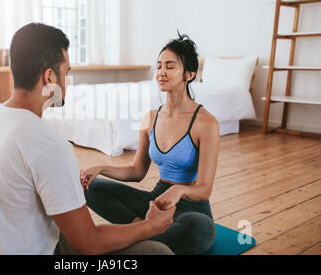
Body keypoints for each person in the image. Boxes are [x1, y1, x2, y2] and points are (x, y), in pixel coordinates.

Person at [0, 22, 175, 255]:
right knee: (157, 252)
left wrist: (66, 182)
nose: (68, 81)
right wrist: (150, 226)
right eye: (66, 73)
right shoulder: (50, 145)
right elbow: (89, 243)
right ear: (50, 77)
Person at [81, 32, 219, 255]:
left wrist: (178, 191)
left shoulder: (206, 123)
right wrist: (100, 168)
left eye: (170, 66)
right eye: (159, 66)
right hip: (155, 201)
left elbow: (204, 189)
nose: (161, 73)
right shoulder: (150, 118)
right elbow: (137, 171)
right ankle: (145, 231)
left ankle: (137, 235)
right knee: (88, 187)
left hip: (191, 207)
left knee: (200, 231)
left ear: (189, 74)